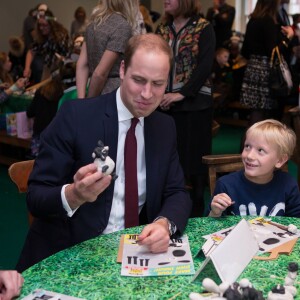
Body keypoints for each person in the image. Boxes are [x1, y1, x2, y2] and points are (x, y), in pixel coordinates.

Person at [16, 33, 192, 272]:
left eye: (158, 84)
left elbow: (177, 192)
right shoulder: (76, 117)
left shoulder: (164, 127)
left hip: (133, 255)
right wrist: (74, 195)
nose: (147, 94)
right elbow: (36, 197)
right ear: (122, 70)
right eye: (138, 80)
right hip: (69, 256)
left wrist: (164, 224)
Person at [156, 0, 216, 217]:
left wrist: (181, 93)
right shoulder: (162, 29)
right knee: (170, 159)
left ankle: (198, 210)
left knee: (196, 163)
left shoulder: (203, 27)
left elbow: (205, 66)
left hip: (195, 104)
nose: (166, 1)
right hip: (164, 105)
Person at [208, 119, 300, 218]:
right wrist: (215, 213)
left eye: (260, 150)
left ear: (280, 160)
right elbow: (207, 229)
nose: (250, 156)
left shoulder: (288, 184)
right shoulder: (226, 185)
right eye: (247, 146)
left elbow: (296, 224)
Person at [240, 0, 294, 127]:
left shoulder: (252, 20)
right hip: (264, 71)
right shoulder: (268, 21)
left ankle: (248, 146)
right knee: (260, 117)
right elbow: (273, 52)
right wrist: (288, 37)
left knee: (256, 114)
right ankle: (252, 146)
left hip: (252, 69)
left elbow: (244, 51)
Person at [76, 0, 139, 99]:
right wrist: (89, 102)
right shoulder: (122, 26)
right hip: (113, 94)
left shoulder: (93, 23)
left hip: (94, 89)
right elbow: (100, 73)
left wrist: (81, 99)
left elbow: (82, 65)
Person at [23, 10, 69, 83]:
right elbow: (31, 51)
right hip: (48, 68)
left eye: (44, 25)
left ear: (51, 24)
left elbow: (67, 56)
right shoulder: (42, 37)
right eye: (40, 25)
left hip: (61, 69)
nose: (41, 28)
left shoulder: (61, 37)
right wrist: (27, 68)